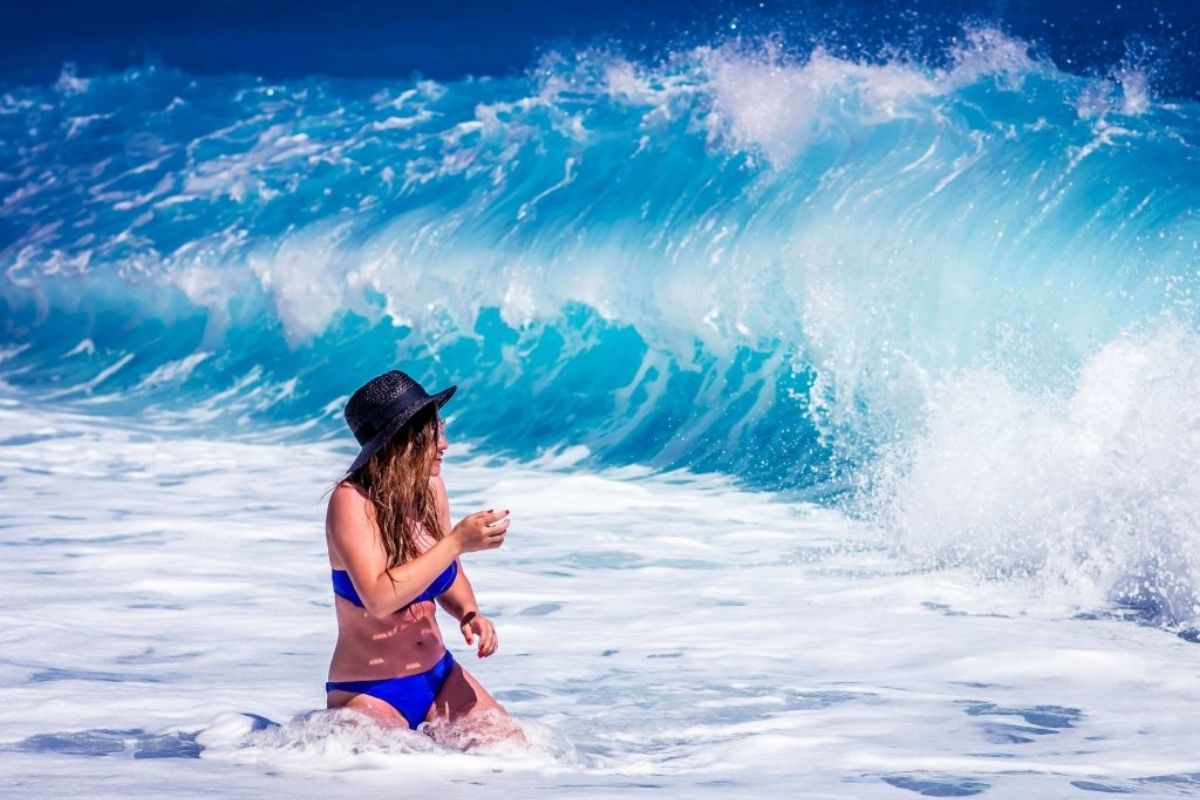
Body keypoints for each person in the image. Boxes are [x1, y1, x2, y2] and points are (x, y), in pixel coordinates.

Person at [323, 369, 519, 744]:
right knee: (394, 778)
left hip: (438, 675)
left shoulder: (430, 491)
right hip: (370, 690)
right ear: (405, 440)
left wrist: (469, 612)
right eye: (435, 433)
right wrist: (456, 541)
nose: (445, 444)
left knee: (515, 755)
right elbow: (379, 599)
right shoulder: (351, 502)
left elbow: (447, 571)